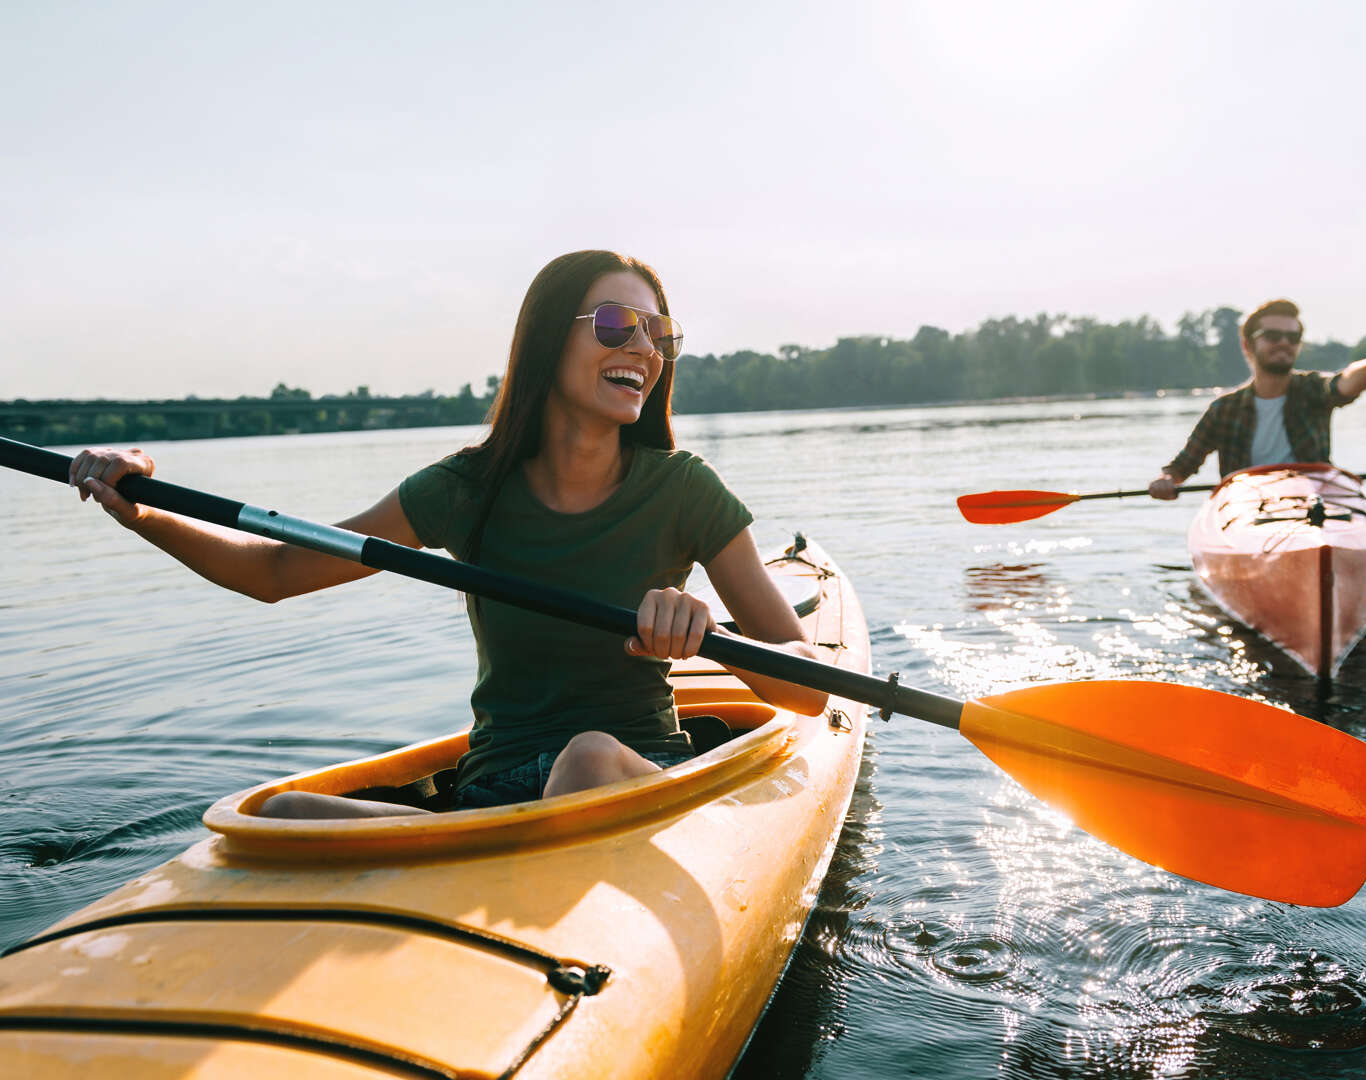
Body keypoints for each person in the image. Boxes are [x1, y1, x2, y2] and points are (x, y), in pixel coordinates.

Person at [67, 250, 829, 818]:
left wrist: (702, 633)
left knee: (588, 757)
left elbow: (802, 686)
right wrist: (141, 509)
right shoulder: (466, 488)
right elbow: (273, 571)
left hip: (629, 773)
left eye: (659, 333)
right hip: (492, 792)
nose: (643, 348)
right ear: (545, 340)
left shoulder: (684, 488)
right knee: (277, 811)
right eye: (614, 324)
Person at [1148, 298, 1366, 499]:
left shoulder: (1312, 389)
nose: (1284, 342)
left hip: (1314, 501)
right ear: (1248, 345)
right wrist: (1166, 479)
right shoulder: (1223, 409)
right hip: (1247, 507)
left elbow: (1344, 383)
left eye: (1292, 337)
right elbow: (1182, 466)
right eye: (1272, 336)